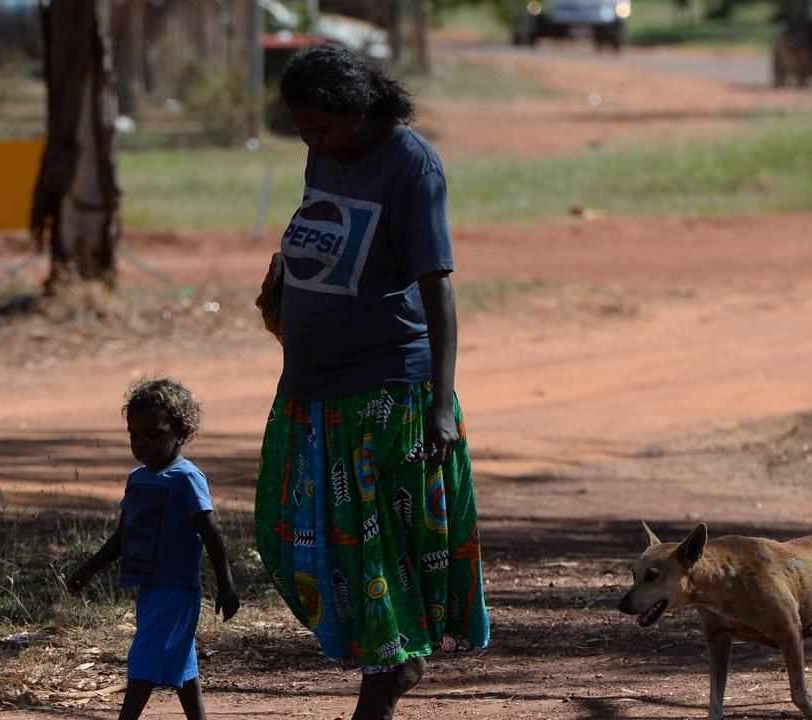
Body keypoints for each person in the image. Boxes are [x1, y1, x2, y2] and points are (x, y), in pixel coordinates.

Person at [253, 44, 491, 720]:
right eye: (303, 131)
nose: (314, 142)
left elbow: (438, 289)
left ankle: (383, 683)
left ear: (358, 109)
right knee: (294, 529)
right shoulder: (325, 152)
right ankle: (395, 660)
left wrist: (441, 404)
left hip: (388, 387)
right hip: (312, 381)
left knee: (378, 548)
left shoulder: (412, 165)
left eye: (323, 128)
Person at [68, 378, 241, 720]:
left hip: (177, 588)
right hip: (149, 586)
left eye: (153, 434)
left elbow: (212, 534)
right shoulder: (138, 479)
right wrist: (89, 569)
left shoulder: (186, 478)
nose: (141, 444)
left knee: (144, 661)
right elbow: (122, 536)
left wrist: (227, 584)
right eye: (134, 435)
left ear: (180, 432)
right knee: (181, 665)